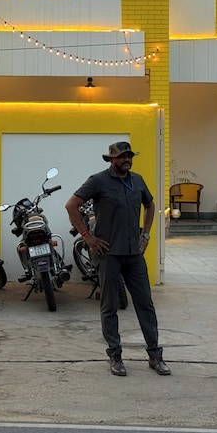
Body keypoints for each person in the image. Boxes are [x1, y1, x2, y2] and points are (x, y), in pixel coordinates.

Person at [66, 141, 171, 377]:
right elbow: (71, 205)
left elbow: (150, 205)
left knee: (145, 304)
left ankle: (155, 355)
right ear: (111, 159)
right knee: (109, 305)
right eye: (122, 156)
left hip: (134, 254)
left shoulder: (137, 180)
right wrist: (88, 237)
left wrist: (145, 234)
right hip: (108, 254)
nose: (126, 160)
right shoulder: (98, 181)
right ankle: (115, 356)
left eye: (129, 156)